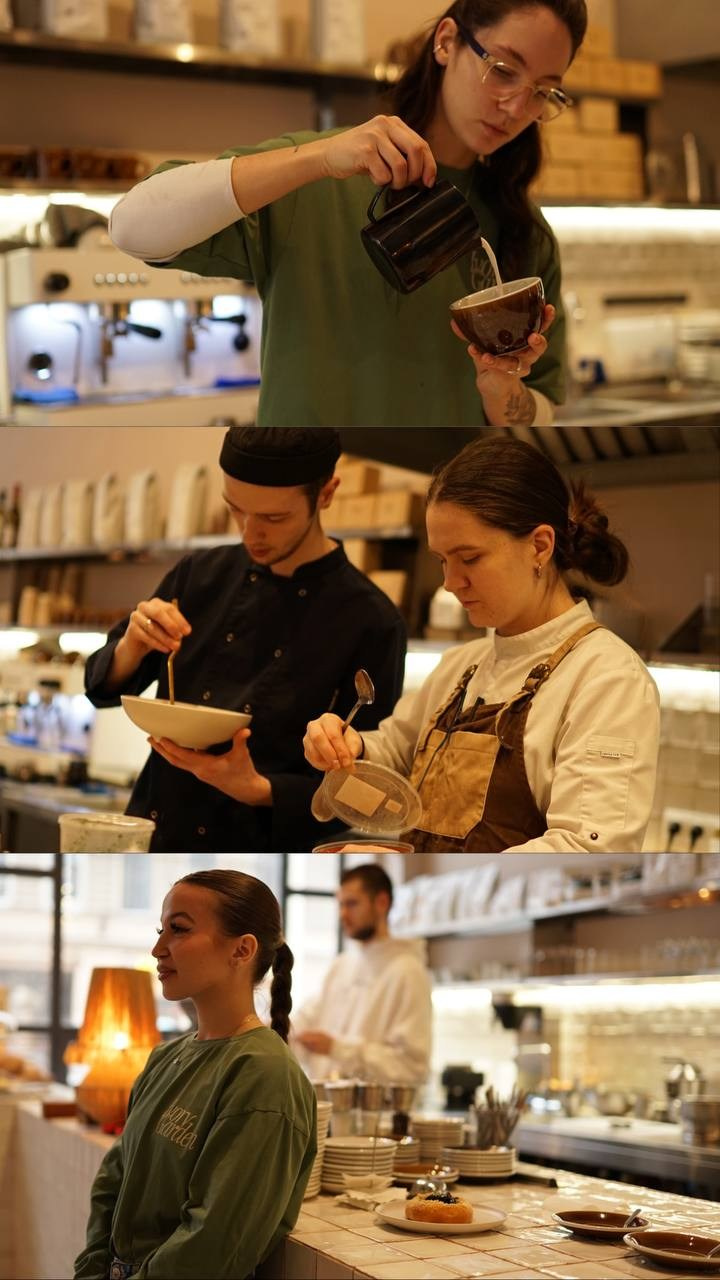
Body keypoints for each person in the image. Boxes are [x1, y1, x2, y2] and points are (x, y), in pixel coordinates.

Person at [108, 0, 587, 428]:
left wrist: (503, 391)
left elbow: (543, 409)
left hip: (445, 488)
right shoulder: (319, 176)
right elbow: (133, 227)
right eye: (504, 69)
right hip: (310, 473)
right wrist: (318, 157)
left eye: (543, 91)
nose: (516, 106)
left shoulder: (526, 232)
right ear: (446, 42)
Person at [304, 435, 661, 853]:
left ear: (539, 546)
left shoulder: (606, 679)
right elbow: (396, 754)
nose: (450, 583)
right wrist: (348, 746)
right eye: (442, 560)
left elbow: (587, 849)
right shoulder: (461, 666)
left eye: (469, 558)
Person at [85, 428, 406, 852]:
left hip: (259, 844)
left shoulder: (371, 618)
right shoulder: (198, 573)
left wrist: (258, 788)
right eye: (236, 510)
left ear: (326, 494)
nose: (250, 533)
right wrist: (133, 644)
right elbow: (101, 689)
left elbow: (364, 790)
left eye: (274, 518)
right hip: (153, 830)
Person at [74, 869, 316, 1280]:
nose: (157, 948)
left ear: (242, 950)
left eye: (179, 930)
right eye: (160, 930)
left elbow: (214, 1241)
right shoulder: (164, 1059)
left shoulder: (264, 1075)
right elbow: (111, 1185)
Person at [292, 863, 432, 1085]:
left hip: (375, 1116)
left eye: (352, 904)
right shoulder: (341, 965)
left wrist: (337, 1048)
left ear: (382, 902)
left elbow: (412, 1069)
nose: (343, 914)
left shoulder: (408, 971)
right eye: (340, 905)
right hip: (322, 1109)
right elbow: (306, 1020)